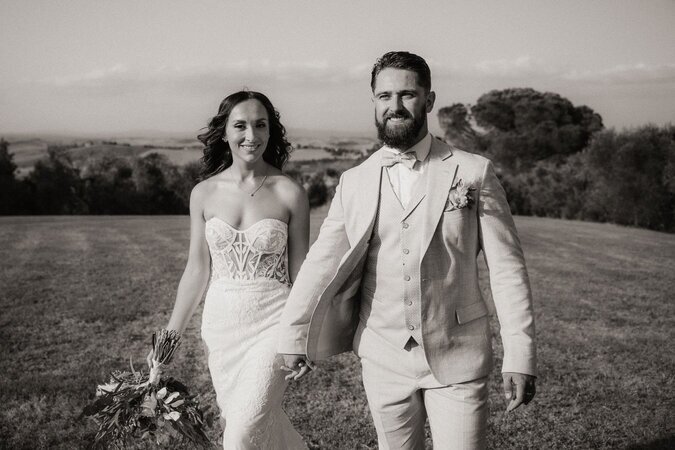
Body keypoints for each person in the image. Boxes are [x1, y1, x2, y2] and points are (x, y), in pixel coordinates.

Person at [278, 51, 537, 449]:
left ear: (429, 101)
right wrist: (295, 335)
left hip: (458, 354)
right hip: (382, 356)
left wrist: (520, 354)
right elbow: (321, 264)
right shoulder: (354, 181)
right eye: (384, 97)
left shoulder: (472, 171)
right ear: (374, 102)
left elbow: (507, 270)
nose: (394, 107)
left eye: (407, 95)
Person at [149, 90, 309, 449]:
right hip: (221, 331)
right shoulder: (203, 194)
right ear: (224, 132)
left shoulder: (291, 193)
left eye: (260, 125)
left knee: (240, 435)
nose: (250, 135)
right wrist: (167, 340)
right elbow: (196, 271)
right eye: (240, 126)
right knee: (255, 425)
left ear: (271, 132)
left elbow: (302, 275)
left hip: (274, 324)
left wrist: (303, 335)